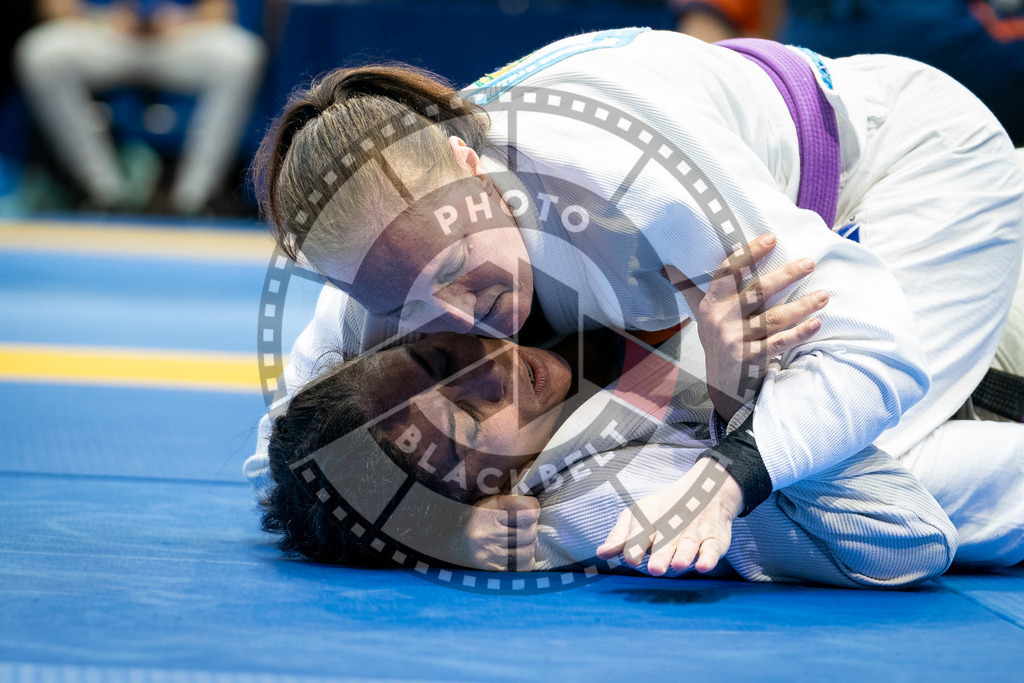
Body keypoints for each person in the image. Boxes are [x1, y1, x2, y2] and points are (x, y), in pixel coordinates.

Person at [248, 28, 1024, 570]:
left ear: (471, 168)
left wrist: (726, 476)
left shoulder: (627, 175)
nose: (458, 317)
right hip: (749, 233)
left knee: (858, 457)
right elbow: (289, 459)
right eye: (407, 310)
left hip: (905, 167)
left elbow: (876, 348)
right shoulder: (383, 248)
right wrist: (445, 526)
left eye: (457, 265)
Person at [258, 242, 963, 587]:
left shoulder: (388, 319)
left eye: (440, 359)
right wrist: (739, 403)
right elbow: (910, 534)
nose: (489, 371)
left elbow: (277, 453)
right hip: (960, 408)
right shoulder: (597, 501)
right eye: (468, 423)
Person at [15, 0, 266, 213]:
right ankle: (103, 194)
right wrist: (106, 20)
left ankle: (195, 200)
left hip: (177, 37)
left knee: (241, 56)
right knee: (40, 55)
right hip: (105, 34)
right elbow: (54, 9)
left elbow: (219, 12)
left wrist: (180, 21)